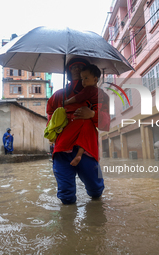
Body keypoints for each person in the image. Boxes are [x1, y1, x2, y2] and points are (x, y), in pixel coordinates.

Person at [46, 58, 110, 204]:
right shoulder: (58, 95)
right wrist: (52, 127)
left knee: (95, 190)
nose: (76, 70)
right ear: (68, 71)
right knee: (65, 195)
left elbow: (105, 123)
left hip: (86, 146)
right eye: (73, 67)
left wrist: (93, 114)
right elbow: (50, 111)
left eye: (81, 67)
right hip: (62, 145)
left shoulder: (99, 95)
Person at [63, 64, 103, 166]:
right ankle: (79, 154)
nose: (83, 82)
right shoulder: (100, 91)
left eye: (86, 78)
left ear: (95, 80)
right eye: (82, 79)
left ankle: (79, 155)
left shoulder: (89, 89)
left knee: (85, 130)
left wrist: (66, 102)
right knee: (86, 134)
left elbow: (78, 98)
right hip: (69, 140)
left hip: (84, 127)